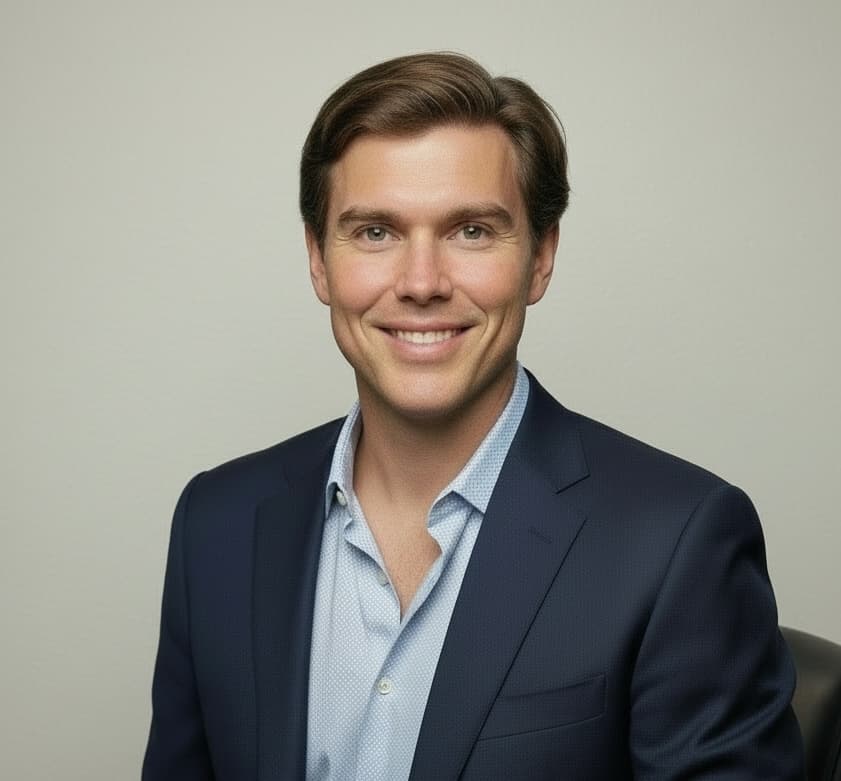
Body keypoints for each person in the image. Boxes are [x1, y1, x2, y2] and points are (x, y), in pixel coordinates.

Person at [142, 52, 804, 780]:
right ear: (318, 262)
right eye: (374, 232)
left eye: (471, 231)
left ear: (541, 257)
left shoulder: (678, 540)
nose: (421, 282)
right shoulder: (216, 523)